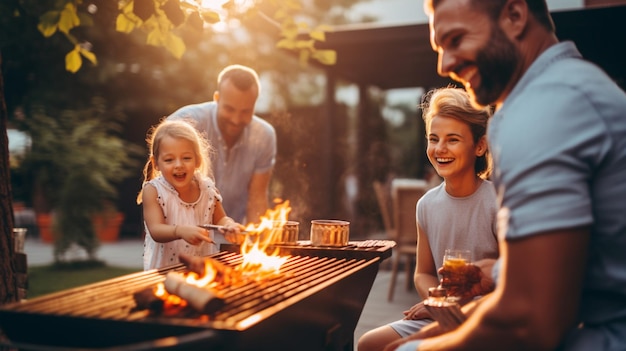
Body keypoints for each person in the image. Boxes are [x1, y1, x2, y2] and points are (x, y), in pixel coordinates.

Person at [387, 0, 626, 350]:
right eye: (441, 48)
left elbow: (527, 321)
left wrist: (415, 349)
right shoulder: (573, 86)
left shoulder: (544, 108)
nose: (445, 64)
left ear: (515, 16)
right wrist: (495, 274)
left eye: (456, 40)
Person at [358, 87, 499, 351]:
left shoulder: (497, 204)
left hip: (486, 317)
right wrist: (439, 303)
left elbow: (511, 282)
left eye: (453, 139)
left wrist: (457, 307)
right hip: (443, 312)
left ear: (479, 146)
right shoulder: (426, 205)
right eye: (433, 139)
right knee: (369, 344)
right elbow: (423, 272)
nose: (440, 148)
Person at [168, 64, 277, 226]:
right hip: (182, 232)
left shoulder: (264, 136)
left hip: (232, 234)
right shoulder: (186, 123)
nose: (236, 119)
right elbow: (162, 187)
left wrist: (258, 244)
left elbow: (257, 198)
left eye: (245, 111)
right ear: (217, 98)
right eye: (229, 109)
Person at [137, 119, 243, 270]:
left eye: (186, 158)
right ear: (156, 163)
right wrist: (180, 231)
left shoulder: (207, 188)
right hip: (165, 272)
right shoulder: (153, 191)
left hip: (202, 271)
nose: (179, 165)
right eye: (169, 159)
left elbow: (220, 218)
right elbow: (156, 230)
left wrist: (229, 226)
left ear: (198, 160)